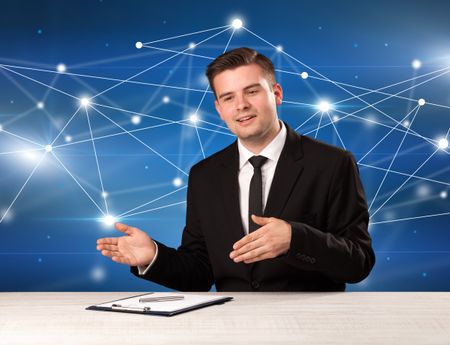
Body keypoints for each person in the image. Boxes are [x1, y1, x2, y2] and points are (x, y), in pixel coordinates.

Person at [96, 47, 375, 291]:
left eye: (251, 91)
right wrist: (154, 256)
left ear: (276, 94)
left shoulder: (332, 163)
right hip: (231, 327)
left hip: (308, 326)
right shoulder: (204, 175)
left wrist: (295, 239)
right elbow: (200, 272)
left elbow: (359, 263)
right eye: (228, 97)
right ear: (219, 108)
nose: (241, 105)